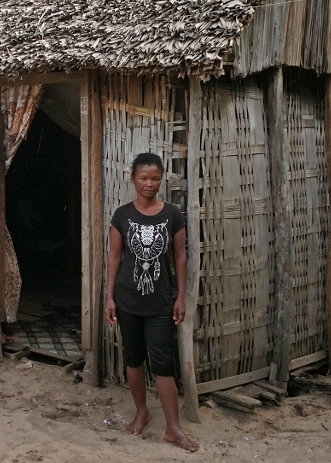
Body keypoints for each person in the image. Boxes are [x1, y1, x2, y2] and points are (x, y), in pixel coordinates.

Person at [105, 152, 198, 452]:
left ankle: (173, 428)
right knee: (133, 359)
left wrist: (180, 296)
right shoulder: (121, 215)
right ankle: (141, 412)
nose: (149, 183)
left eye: (155, 178)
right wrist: (109, 297)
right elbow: (115, 256)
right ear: (132, 179)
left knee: (162, 366)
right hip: (128, 300)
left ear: (162, 180)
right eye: (143, 178)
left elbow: (181, 257)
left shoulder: (172, 214)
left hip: (159, 303)